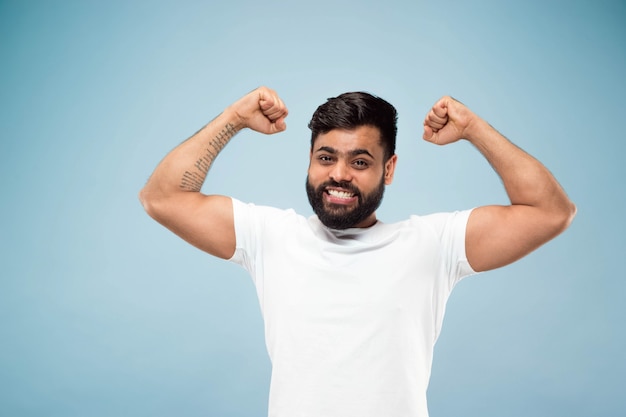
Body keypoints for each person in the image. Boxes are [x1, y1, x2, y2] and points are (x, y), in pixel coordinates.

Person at [139, 86, 576, 417]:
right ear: (309, 160)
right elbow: (163, 198)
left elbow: (550, 211)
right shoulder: (269, 236)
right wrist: (234, 117)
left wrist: (475, 129)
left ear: (389, 169)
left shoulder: (434, 244)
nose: (339, 175)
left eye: (360, 162)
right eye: (325, 158)